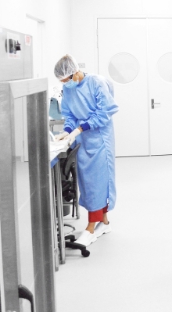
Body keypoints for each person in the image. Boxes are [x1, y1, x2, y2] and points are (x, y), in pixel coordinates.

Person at [53, 55, 119, 247]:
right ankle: (104, 222)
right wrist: (66, 132)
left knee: (98, 182)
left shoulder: (96, 83)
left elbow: (106, 111)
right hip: (84, 140)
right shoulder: (68, 88)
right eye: (62, 82)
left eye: (66, 80)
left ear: (74, 73)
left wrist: (80, 129)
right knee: (88, 182)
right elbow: (69, 114)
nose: (65, 84)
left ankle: (91, 227)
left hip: (100, 138)